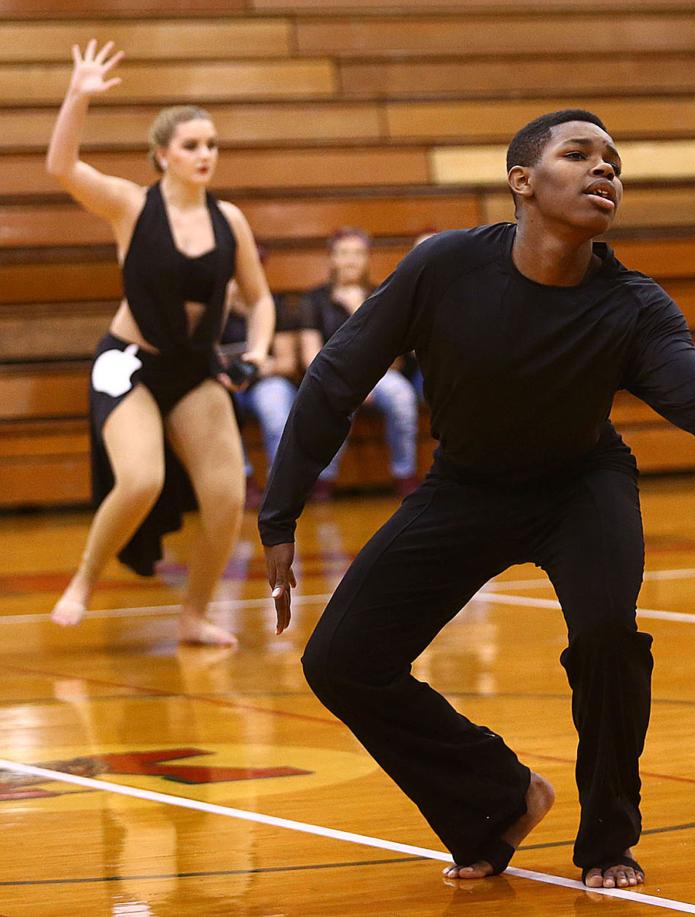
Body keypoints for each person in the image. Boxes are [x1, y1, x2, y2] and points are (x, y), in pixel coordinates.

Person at [260, 110, 695, 888]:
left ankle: (609, 838)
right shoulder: (443, 267)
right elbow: (336, 377)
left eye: (614, 162)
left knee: (606, 640)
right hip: (467, 486)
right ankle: (497, 799)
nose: (604, 170)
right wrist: (279, 512)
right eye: (580, 154)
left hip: (581, 487)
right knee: (341, 662)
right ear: (521, 182)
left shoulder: (634, 305)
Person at [47, 40, 275, 646]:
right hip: (127, 365)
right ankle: (84, 579)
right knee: (141, 478)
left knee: (228, 497)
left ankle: (194, 614)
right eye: (192, 145)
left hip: (195, 370)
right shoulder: (129, 205)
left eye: (212, 144)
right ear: (163, 155)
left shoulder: (230, 220)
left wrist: (256, 349)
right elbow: (62, 168)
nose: (206, 154)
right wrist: (78, 96)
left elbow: (261, 297)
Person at [297, 227, 420, 499]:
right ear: (331, 259)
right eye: (343, 253)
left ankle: (405, 474)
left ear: (367, 259)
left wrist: (357, 311)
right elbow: (310, 358)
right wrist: (351, 383)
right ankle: (324, 480)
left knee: (402, 395)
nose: (350, 261)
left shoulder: (385, 295)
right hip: (332, 376)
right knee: (337, 398)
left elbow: (395, 359)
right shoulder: (313, 300)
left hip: (379, 374)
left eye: (357, 254)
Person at [220, 269, 307, 507]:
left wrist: (258, 366)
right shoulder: (214, 310)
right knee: (219, 405)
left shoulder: (274, 306)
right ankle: (244, 480)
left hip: (265, 380)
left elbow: (287, 362)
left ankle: (280, 483)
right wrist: (223, 304)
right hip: (225, 384)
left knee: (275, 405)